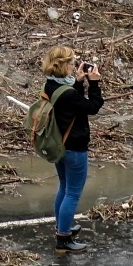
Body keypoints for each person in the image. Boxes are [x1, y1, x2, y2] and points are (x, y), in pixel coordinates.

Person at [41, 45, 104, 252]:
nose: (74, 65)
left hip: (59, 145)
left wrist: (77, 82)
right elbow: (92, 107)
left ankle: (62, 226)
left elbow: (69, 105)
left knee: (64, 187)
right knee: (73, 193)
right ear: (63, 65)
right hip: (74, 148)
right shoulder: (68, 94)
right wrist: (94, 84)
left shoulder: (50, 85)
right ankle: (63, 240)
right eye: (71, 62)